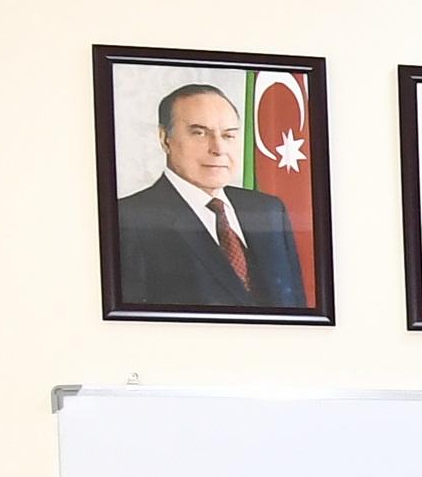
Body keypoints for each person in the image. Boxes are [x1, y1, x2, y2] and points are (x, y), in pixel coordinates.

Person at [114, 82, 307, 311]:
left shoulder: (269, 210)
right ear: (165, 138)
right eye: (199, 133)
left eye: (228, 135)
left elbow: (297, 310)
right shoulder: (128, 219)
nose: (218, 149)